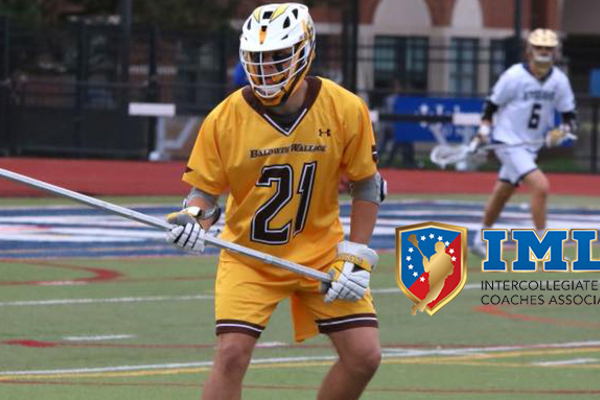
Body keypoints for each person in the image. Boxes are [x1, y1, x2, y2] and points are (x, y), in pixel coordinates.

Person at [165, 4, 386, 399]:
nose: (266, 69)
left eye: (278, 57)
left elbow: (366, 184)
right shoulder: (224, 118)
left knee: (364, 356)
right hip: (249, 256)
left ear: (306, 51)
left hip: (321, 254)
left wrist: (356, 253)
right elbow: (205, 194)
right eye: (257, 58)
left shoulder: (344, 108)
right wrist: (193, 220)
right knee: (231, 355)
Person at [471, 29, 577, 257]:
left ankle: (480, 239)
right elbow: (491, 105)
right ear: (529, 50)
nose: (543, 52)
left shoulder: (559, 80)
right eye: (539, 47)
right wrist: (483, 130)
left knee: (503, 192)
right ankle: (545, 248)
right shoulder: (514, 76)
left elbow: (569, 116)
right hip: (508, 141)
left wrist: (561, 132)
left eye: (548, 48)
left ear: (556, 51)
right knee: (541, 186)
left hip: (530, 146)